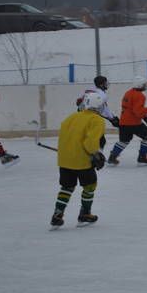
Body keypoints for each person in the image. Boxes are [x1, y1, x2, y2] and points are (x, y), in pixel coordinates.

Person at [50, 92, 106, 229]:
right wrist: (96, 155)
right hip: (82, 161)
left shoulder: (71, 117)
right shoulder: (97, 120)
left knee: (67, 187)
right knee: (90, 186)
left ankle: (57, 215)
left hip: (64, 160)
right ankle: (85, 214)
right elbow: (90, 142)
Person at [107, 76, 147, 166]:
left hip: (123, 123)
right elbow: (138, 112)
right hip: (134, 124)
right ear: (140, 85)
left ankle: (112, 158)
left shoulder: (128, 93)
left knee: (124, 141)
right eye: (144, 84)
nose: (145, 86)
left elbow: (133, 109)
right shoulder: (140, 95)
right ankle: (142, 157)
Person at [76, 75, 119, 149]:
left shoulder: (88, 90)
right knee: (101, 141)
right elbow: (103, 109)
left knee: (85, 137)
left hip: (81, 116)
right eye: (105, 83)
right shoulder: (102, 95)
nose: (107, 84)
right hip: (92, 118)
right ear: (101, 84)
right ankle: (97, 157)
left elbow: (78, 102)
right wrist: (112, 119)